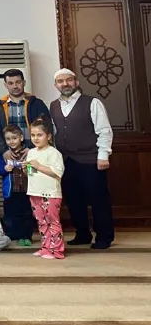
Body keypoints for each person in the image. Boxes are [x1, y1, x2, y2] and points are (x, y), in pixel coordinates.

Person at [50, 68, 114, 250]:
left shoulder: (92, 103)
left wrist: (103, 156)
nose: (65, 84)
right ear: (56, 85)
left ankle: (104, 236)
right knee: (73, 199)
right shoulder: (53, 105)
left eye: (68, 80)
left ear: (76, 82)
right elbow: (54, 133)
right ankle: (82, 234)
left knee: (98, 199)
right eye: (60, 81)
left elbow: (104, 131)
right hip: (66, 161)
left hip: (91, 160)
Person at [26, 117, 66, 260]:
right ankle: (46, 247)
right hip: (34, 191)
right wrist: (26, 168)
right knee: (41, 221)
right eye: (33, 135)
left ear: (48, 136)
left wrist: (38, 166)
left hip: (50, 193)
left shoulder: (54, 153)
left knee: (52, 221)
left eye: (40, 135)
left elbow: (57, 172)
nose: (36, 138)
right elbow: (31, 173)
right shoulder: (31, 152)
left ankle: (58, 250)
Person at [0, 69, 50, 154]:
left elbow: (46, 127)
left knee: (31, 168)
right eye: (10, 83)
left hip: (34, 152)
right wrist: (4, 151)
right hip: (8, 154)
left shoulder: (37, 104)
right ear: (5, 85)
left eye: (18, 82)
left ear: (24, 83)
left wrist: (32, 149)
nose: (15, 86)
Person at [0, 125, 34, 246]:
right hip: (11, 191)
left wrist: (27, 168)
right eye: (8, 139)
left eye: (14, 138)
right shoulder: (4, 155)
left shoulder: (30, 153)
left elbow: (34, 170)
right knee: (12, 214)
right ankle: (14, 235)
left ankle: (26, 236)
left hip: (26, 189)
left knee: (27, 213)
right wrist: (5, 168)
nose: (11, 141)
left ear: (21, 137)